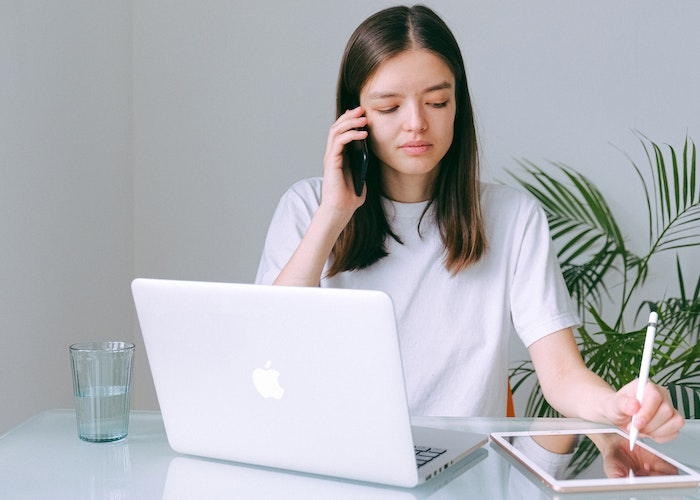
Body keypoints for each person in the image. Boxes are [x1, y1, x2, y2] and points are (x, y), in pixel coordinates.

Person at [255, 4, 683, 443]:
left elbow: (562, 376)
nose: (417, 123)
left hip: (466, 470)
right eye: (388, 108)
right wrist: (333, 215)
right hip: (334, 460)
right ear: (353, 118)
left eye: (437, 101)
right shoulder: (307, 208)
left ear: (458, 105)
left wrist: (616, 406)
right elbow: (269, 345)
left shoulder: (514, 218)